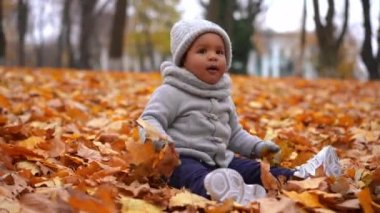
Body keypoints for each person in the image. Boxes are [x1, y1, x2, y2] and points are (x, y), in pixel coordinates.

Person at [139, 19, 342, 205]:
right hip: (183, 160)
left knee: (255, 170)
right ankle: (221, 192)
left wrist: (258, 147)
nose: (213, 57)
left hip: (221, 160)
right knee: (193, 176)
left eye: (219, 52)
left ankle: (301, 176)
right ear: (183, 60)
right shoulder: (171, 92)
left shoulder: (222, 96)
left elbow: (235, 134)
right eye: (202, 51)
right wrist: (161, 141)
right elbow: (149, 119)